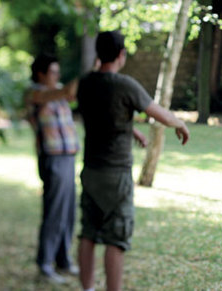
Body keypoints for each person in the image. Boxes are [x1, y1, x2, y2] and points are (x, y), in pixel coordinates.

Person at [76, 30, 190, 291]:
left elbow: (104, 117)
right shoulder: (124, 85)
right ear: (121, 54)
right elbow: (157, 112)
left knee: (89, 233)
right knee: (116, 238)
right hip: (116, 174)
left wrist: (131, 130)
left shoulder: (86, 84)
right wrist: (180, 123)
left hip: (90, 169)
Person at [25, 53, 80, 284]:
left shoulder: (59, 91)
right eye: (54, 72)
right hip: (52, 158)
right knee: (54, 210)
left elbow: (70, 95)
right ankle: (45, 263)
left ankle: (63, 260)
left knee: (68, 211)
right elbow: (65, 92)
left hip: (68, 157)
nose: (57, 76)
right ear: (41, 74)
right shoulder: (34, 93)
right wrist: (88, 72)